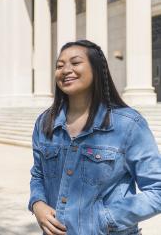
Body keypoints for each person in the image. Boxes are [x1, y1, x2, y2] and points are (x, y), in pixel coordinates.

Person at [29, 40, 161, 235]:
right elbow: (38, 174)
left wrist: (105, 219)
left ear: (97, 69)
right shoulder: (45, 122)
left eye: (75, 63)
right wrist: (37, 203)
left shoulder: (128, 124)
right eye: (59, 65)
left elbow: (157, 190)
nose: (65, 70)